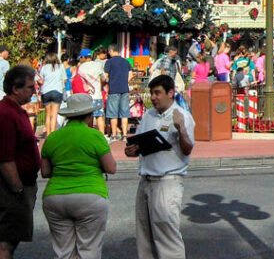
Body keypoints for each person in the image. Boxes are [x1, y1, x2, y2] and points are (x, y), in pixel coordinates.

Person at [124, 74, 195, 259]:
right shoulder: (148, 115)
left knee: (167, 236)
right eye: (151, 93)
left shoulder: (181, 116)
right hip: (146, 180)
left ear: (170, 93)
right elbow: (138, 143)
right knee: (144, 236)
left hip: (167, 181)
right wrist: (132, 150)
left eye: (157, 93)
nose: (153, 97)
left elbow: (187, 149)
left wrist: (181, 129)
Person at [40, 93, 117, 259]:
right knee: (88, 249)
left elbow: (45, 172)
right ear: (89, 116)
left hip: (55, 197)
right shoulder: (95, 136)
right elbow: (111, 168)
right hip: (90, 196)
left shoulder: (52, 138)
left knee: (63, 251)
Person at [0, 65, 41, 259]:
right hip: (12, 188)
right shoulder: (6, 114)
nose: (34, 91)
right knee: (6, 240)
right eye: (30, 87)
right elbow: (5, 157)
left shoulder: (16, 110)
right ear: (16, 89)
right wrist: (18, 189)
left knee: (13, 237)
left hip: (22, 183)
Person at [104, 44, 132, 141]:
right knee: (125, 113)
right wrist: (125, 81)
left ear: (111, 51)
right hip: (124, 89)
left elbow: (105, 76)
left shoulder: (109, 62)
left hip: (113, 90)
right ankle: (124, 135)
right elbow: (131, 75)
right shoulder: (126, 62)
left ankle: (114, 135)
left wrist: (107, 81)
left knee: (113, 113)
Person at [37, 52, 65, 137]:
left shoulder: (44, 68)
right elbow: (65, 79)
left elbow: (40, 80)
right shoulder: (60, 67)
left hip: (46, 92)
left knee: (48, 114)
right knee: (54, 114)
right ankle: (53, 133)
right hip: (57, 91)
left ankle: (48, 134)